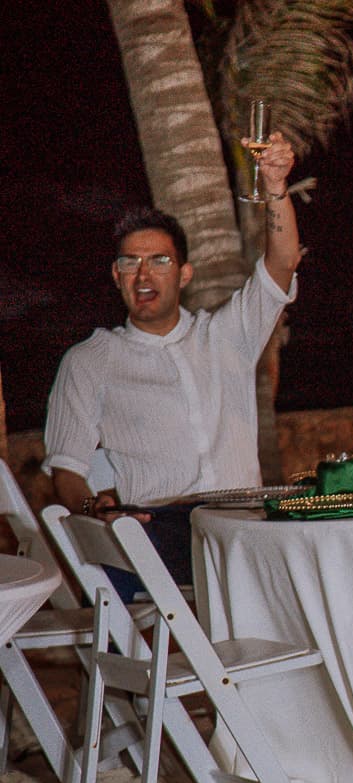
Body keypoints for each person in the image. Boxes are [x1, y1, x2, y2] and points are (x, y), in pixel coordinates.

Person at [42, 132, 302, 580]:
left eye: (159, 261)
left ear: (183, 274)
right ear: (116, 275)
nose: (143, 274)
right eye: (130, 262)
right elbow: (66, 467)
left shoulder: (226, 335)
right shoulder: (89, 360)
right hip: (160, 524)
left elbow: (281, 264)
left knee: (313, 545)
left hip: (242, 516)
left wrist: (276, 188)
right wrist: (93, 506)